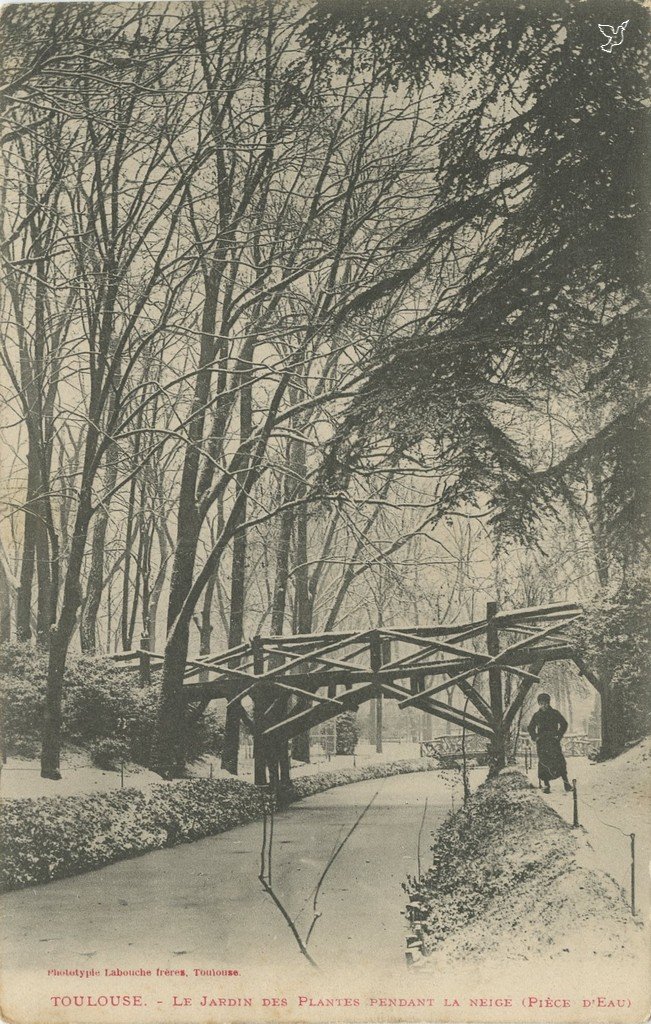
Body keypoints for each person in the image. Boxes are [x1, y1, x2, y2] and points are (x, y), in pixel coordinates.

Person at [527, 693, 573, 794]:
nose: (543, 705)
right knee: (544, 763)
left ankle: (566, 784)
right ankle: (546, 785)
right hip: (542, 743)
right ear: (539, 704)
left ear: (548, 703)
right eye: (541, 703)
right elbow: (530, 728)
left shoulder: (555, 713)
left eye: (545, 703)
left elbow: (564, 724)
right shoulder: (537, 715)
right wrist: (535, 737)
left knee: (560, 761)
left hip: (553, 742)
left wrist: (558, 735)